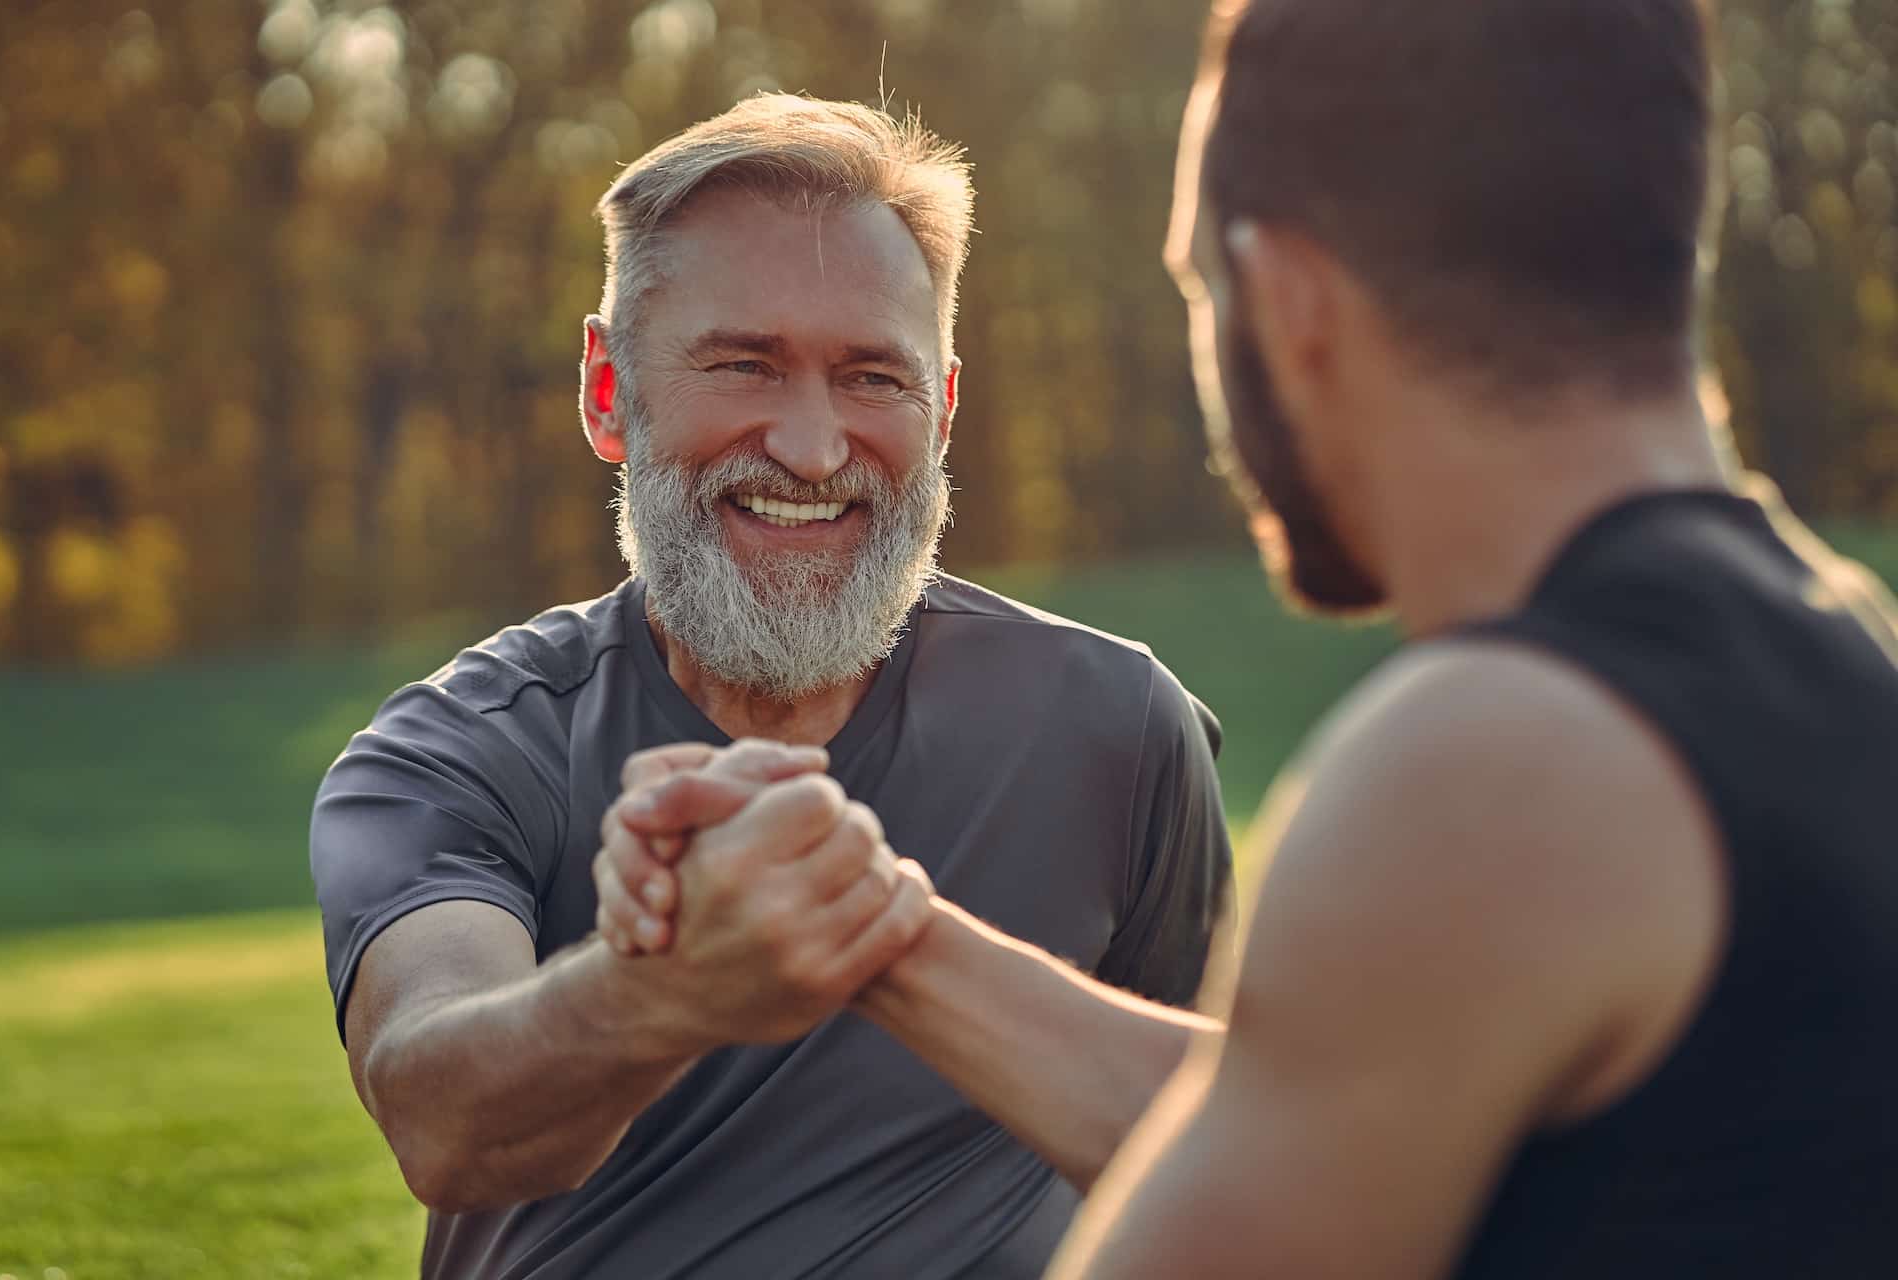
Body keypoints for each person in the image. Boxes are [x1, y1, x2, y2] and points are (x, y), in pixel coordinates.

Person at [1036, 0, 1898, 1274]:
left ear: (1286, 300)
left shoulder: (1484, 767)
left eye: (1198, 287)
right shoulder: (1846, 654)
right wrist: (889, 935)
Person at [309, 93, 1232, 1279]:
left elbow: (1234, 1140)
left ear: (942, 404)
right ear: (607, 391)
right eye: (743, 364)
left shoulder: (1117, 723)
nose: (808, 445)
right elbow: (436, 1110)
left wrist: (854, 923)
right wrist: (662, 991)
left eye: (870, 378)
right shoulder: (462, 748)